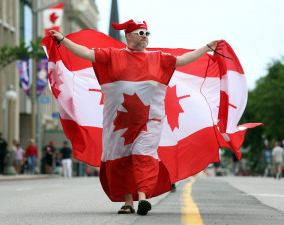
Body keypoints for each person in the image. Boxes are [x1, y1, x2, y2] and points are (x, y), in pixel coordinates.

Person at [49, 19, 220, 215]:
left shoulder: (158, 58)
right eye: (141, 33)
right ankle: (128, 202)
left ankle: (143, 198)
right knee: (122, 160)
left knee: (144, 155)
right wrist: (63, 40)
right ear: (128, 36)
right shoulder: (112, 55)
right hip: (118, 123)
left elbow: (182, 59)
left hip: (150, 120)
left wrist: (206, 48)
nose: (145, 37)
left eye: (147, 33)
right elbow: (87, 53)